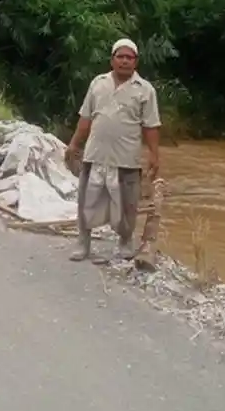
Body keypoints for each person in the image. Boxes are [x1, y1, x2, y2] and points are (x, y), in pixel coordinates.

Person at [64, 38, 161, 263]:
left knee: (128, 204)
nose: (125, 61)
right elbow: (86, 118)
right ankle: (83, 243)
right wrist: (74, 144)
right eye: (121, 56)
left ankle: (125, 243)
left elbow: (151, 126)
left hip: (126, 159)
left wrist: (154, 156)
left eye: (130, 57)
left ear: (136, 62)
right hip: (95, 155)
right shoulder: (98, 83)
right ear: (112, 60)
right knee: (86, 201)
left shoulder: (145, 90)